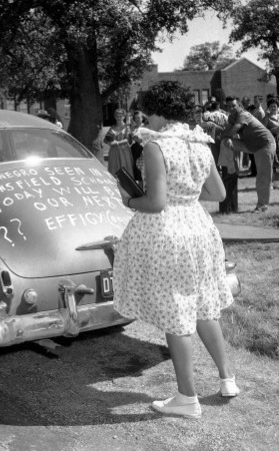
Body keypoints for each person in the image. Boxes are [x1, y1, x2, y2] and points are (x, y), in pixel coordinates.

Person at [113, 81, 238, 419]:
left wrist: (129, 199)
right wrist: (187, 197)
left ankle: (187, 398)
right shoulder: (199, 141)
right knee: (202, 305)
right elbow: (218, 194)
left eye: (146, 114)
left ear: (157, 112)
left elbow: (154, 203)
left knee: (176, 310)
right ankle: (228, 379)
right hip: (199, 229)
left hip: (168, 232)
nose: (145, 120)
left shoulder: (157, 146)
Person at [223, 96, 276, 212]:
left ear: (239, 106)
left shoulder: (244, 115)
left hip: (265, 145)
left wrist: (225, 135)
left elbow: (234, 129)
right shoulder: (232, 117)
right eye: (229, 106)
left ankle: (262, 206)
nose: (231, 108)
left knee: (263, 177)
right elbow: (227, 130)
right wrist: (222, 136)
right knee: (226, 142)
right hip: (252, 145)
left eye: (234, 106)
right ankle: (230, 168)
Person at [102, 108, 135, 177]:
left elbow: (128, 139)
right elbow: (105, 140)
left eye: (120, 116)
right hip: (114, 152)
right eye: (117, 116)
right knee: (114, 170)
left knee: (125, 170)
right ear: (115, 117)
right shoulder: (112, 127)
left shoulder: (127, 127)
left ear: (124, 116)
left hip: (124, 151)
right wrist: (110, 143)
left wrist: (117, 143)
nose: (119, 118)